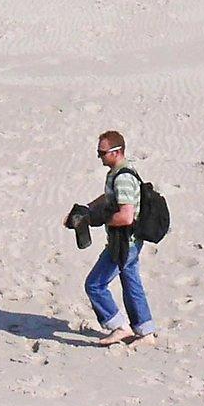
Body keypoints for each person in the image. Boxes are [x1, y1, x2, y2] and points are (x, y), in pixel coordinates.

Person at [78, 130, 156, 347]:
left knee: (95, 284)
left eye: (102, 153)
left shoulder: (122, 178)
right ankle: (146, 331)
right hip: (129, 243)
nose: (99, 157)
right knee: (132, 284)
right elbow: (109, 196)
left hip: (123, 243)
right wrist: (88, 209)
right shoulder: (119, 172)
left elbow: (126, 216)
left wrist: (100, 220)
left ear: (116, 152)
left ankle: (119, 326)